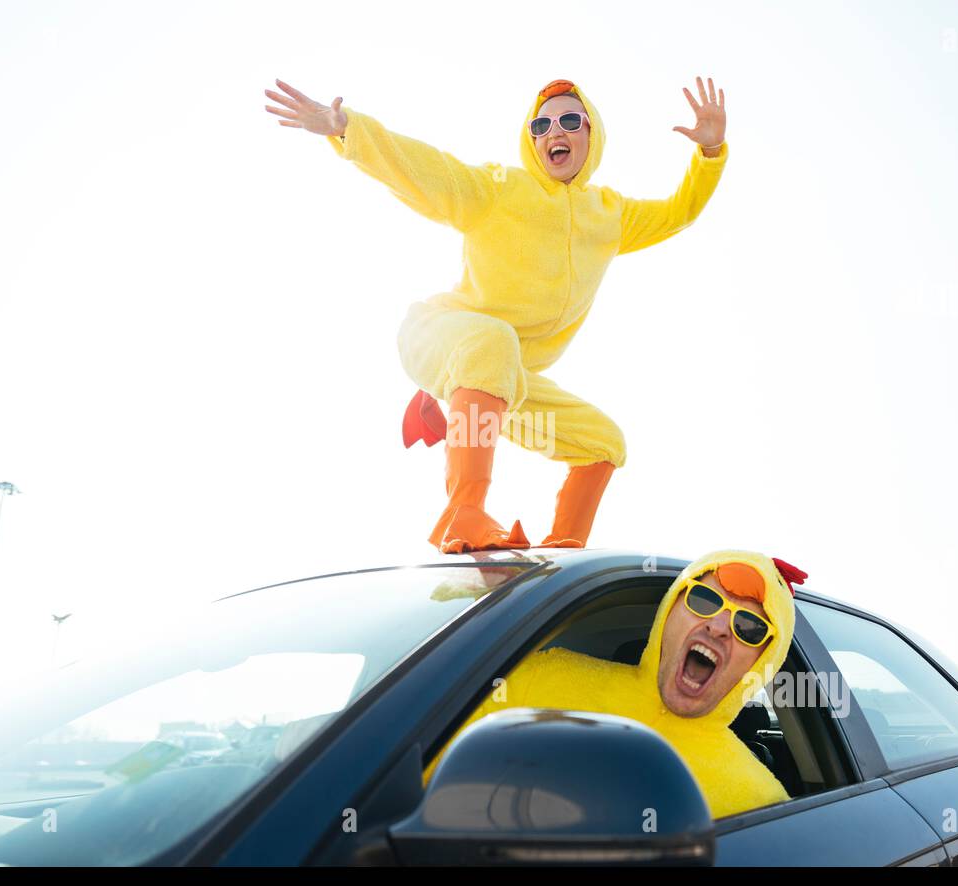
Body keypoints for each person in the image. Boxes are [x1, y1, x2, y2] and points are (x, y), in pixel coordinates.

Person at [265, 76, 729, 552]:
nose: (554, 132)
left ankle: (562, 551)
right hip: (440, 337)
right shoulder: (499, 189)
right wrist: (347, 130)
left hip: (501, 381)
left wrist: (709, 156)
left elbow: (678, 212)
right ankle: (463, 513)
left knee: (602, 441)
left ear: (593, 136)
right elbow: (425, 171)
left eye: (570, 121)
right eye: (541, 125)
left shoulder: (610, 216)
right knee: (492, 340)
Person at [422, 549, 809, 821]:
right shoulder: (543, 677)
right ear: (669, 610)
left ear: (762, 662)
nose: (720, 626)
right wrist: (488, 596)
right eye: (704, 599)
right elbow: (415, 750)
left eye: (750, 627)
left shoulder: (761, 803)